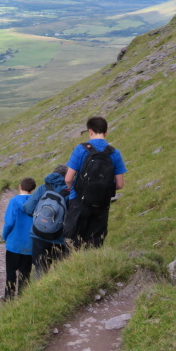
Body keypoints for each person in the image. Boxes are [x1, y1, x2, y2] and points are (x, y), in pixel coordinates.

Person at [64, 116, 127, 250]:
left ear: (90, 131)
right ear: (106, 132)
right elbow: (120, 184)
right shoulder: (114, 153)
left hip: (78, 202)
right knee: (94, 244)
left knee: (72, 244)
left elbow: (68, 179)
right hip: (102, 205)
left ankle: (72, 268)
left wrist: (72, 190)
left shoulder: (81, 149)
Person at [23, 166, 70, 278]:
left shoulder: (42, 188)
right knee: (62, 270)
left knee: (40, 270)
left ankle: (38, 293)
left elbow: (28, 209)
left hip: (39, 235)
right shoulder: (70, 192)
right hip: (60, 238)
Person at [1, 177, 36, 299]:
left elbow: (9, 223)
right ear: (33, 189)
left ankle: (8, 298)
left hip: (14, 244)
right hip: (30, 244)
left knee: (10, 273)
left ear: (20, 187)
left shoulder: (14, 201)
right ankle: (23, 298)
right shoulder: (36, 202)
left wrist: (5, 235)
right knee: (25, 274)